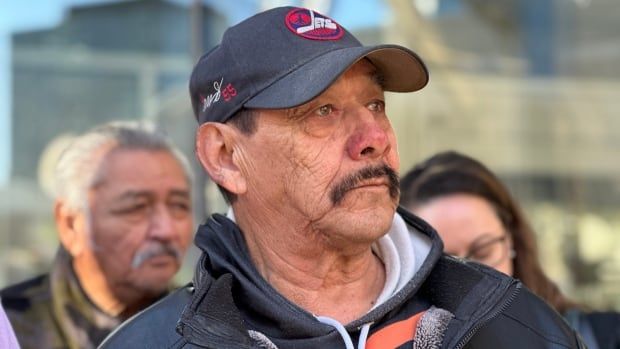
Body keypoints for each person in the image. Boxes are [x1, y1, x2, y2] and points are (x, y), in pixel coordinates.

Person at [100, 7, 584, 349]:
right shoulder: (152, 344)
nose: (374, 137)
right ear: (225, 156)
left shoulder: (518, 326)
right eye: (322, 111)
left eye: (376, 104)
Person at [1, 121, 194, 349]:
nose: (166, 230)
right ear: (70, 224)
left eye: (179, 205)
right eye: (136, 207)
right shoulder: (11, 328)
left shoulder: (210, 325)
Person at [400, 150, 620, 349]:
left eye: (483, 251)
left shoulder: (606, 338)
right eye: (445, 264)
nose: (470, 276)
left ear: (513, 241)